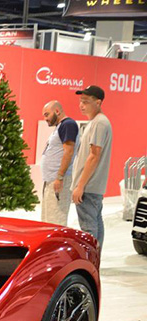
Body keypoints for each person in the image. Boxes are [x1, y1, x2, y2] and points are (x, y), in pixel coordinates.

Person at [71, 85, 112, 249]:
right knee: (95, 224)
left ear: (98, 102)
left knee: (88, 229)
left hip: (88, 187)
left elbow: (94, 155)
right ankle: (95, 259)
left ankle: (90, 260)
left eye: (86, 102)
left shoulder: (99, 123)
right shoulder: (96, 122)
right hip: (91, 187)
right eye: (81, 101)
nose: (81, 105)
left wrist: (80, 186)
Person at [39, 100, 78, 226]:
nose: (45, 119)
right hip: (51, 180)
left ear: (57, 111)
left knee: (55, 221)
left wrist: (60, 177)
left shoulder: (68, 125)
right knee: (47, 219)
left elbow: (69, 151)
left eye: (47, 115)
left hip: (59, 180)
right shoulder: (60, 126)